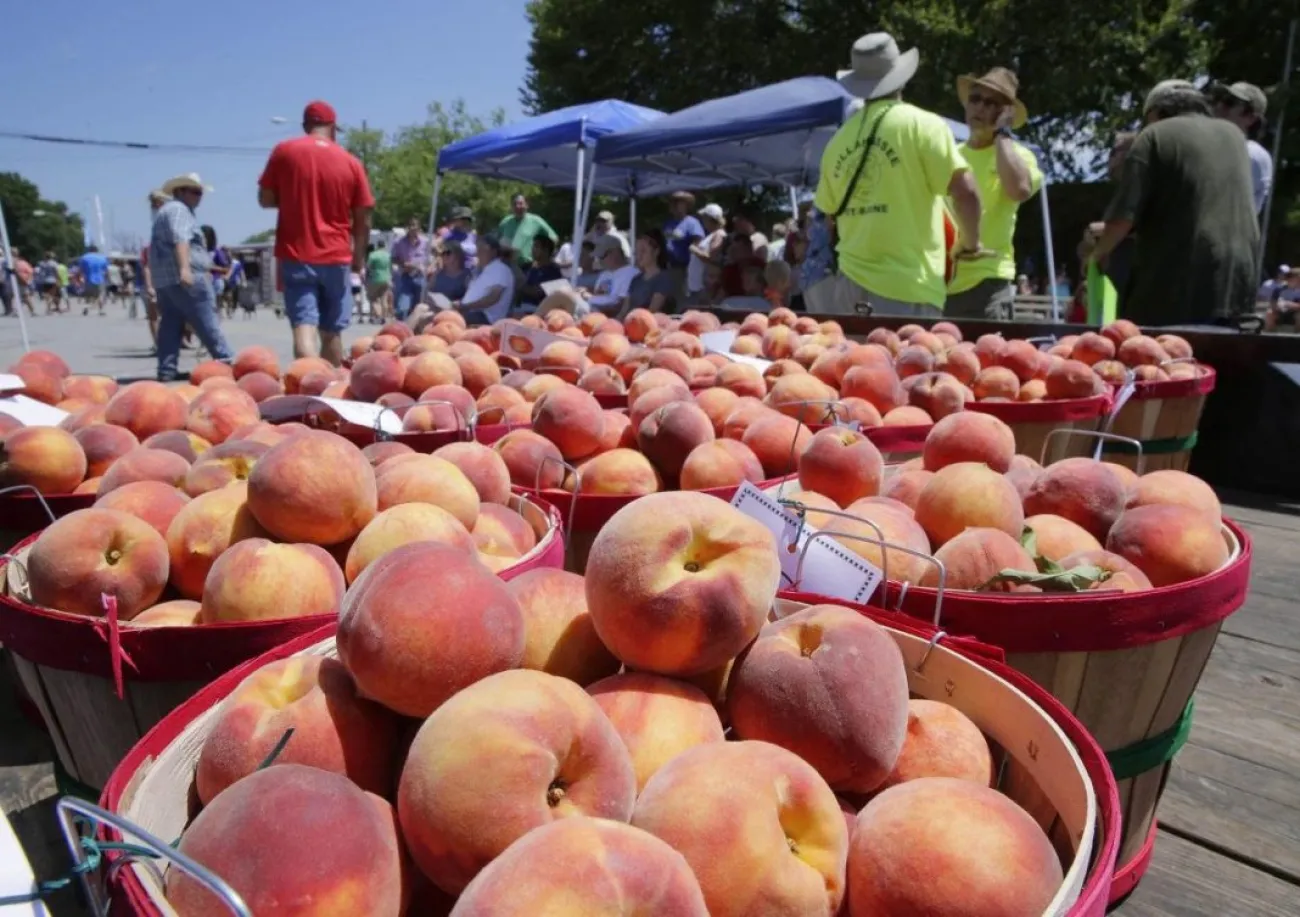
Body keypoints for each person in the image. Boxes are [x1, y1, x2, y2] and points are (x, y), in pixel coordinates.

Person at [815, 33, 982, 316]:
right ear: (901, 78)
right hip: (908, 288)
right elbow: (966, 192)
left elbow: (829, 218)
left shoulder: (836, 142)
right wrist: (971, 243)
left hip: (849, 287)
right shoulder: (923, 125)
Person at [1092, 80, 1260, 326]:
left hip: (1179, 283)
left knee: (1160, 347)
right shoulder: (1234, 135)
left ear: (1155, 111)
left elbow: (1122, 218)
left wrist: (1098, 254)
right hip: (1238, 280)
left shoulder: (1154, 135)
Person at [258, 100, 374, 365]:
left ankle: (308, 378)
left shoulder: (284, 151)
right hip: (336, 256)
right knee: (332, 332)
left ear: (305, 126)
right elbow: (363, 218)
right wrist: (358, 258)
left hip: (296, 254)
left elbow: (265, 198)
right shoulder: (351, 162)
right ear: (333, 127)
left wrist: (292, 197)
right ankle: (331, 385)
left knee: (304, 325)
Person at [945, 67, 1042, 320]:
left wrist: (1003, 134)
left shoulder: (1018, 156)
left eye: (991, 103)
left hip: (988, 282)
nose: (979, 107)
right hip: (941, 282)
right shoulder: (951, 153)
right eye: (975, 99)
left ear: (1005, 113)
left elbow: (1019, 190)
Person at [150, 173, 233, 380]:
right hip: (186, 277)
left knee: (170, 324)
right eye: (195, 192)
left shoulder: (165, 211)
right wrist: (185, 269)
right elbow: (181, 238)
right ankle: (226, 362)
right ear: (180, 191)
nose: (199, 197)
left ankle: (166, 370)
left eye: (200, 193)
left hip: (165, 280)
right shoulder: (179, 210)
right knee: (206, 320)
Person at [1211, 81, 1273, 216]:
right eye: (1219, 99)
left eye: (1229, 103)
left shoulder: (1251, 154)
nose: (1219, 106)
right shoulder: (1214, 146)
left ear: (1251, 118)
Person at [451, 233, 514, 325]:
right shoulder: (481, 270)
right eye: (478, 248)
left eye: (483, 249)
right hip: (470, 312)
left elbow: (493, 298)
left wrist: (466, 306)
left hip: (486, 317)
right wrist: (461, 304)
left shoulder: (501, 269)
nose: (479, 252)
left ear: (494, 251)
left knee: (448, 319)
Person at [620, 229, 677, 319]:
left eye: (643, 251)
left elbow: (651, 312)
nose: (639, 255)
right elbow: (624, 311)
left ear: (656, 251)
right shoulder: (635, 280)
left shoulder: (663, 279)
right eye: (637, 251)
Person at [497, 193, 558, 270]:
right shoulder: (505, 222)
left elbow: (554, 238)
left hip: (528, 266)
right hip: (507, 266)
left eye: (520, 203)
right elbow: (497, 242)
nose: (517, 206)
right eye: (515, 204)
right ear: (511, 206)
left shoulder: (536, 221)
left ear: (526, 205)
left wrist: (543, 259)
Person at [140, 189, 169, 346]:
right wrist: (150, 286)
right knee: (153, 314)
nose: (155, 205)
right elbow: (147, 266)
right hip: (157, 282)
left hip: (168, 280)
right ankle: (159, 344)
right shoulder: (150, 245)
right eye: (154, 203)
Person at [582, 234, 639, 314]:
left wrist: (590, 304)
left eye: (602, 256)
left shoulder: (631, 273)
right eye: (598, 257)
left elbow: (620, 306)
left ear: (615, 252)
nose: (599, 260)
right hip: (592, 310)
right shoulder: (605, 274)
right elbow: (599, 295)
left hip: (603, 315)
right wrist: (584, 292)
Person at [663, 191, 704, 301]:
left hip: (685, 267)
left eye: (678, 203)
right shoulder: (669, 223)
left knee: (684, 297)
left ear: (686, 206)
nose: (675, 206)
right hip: (670, 266)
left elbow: (698, 241)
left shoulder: (692, 223)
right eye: (673, 203)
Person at [390, 218, 430, 320]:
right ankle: (402, 324)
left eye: (414, 226)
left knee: (419, 307)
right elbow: (393, 258)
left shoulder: (425, 242)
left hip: (421, 277)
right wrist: (403, 263)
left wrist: (425, 267)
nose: (412, 228)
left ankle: (415, 327)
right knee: (402, 308)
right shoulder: (398, 242)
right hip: (406, 277)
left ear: (419, 228)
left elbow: (432, 257)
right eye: (410, 226)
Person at [688, 203, 728, 304]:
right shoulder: (711, 235)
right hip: (698, 285)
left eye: (704, 218)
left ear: (710, 219)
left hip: (705, 286)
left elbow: (711, 257)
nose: (703, 221)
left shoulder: (719, 235)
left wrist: (694, 249)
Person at [518, 236, 563, 311]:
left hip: (540, 311)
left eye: (536, 247)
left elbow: (537, 292)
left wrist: (519, 285)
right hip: (521, 308)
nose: (533, 249)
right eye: (533, 246)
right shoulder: (526, 266)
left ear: (546, 251)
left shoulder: (554, 271)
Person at [429, 240, 472, 305]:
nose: (444, 256)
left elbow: (469, 298)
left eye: (448, 253)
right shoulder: (437, 273)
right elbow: (428, 291)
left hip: (454, 309)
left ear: (457, 255)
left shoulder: (466, 275)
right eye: (442, 253)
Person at [77, 245, 109, 316]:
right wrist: (107, 279)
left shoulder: (84, 257)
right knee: (100, 294)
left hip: (88, 279)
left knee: (88, 295)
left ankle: (86, 308)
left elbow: (80, 270)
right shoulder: (103, 258)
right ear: (97, 251)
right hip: (100, 279)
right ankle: (101, 310)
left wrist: (79, 279)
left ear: (89, 250)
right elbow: (106, 270)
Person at [1265, 266, 1300, 331]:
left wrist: (1290, 305)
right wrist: (1277, 306)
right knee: (1269, 313)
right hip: (1281, 312)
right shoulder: (1279, 289)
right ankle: (1269, 334)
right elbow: (1272, 303)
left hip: (1296, 312)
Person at [366, 238, 392, 323]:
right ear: (384, 246)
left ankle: (375, 315)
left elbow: (368, 266)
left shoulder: (373, 255)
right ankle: (384, 318)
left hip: (375, 278)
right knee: (384, 299)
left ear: (377, 246)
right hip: (386, 278)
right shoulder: (388, 255)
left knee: (372, 298)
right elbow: (390, 267)